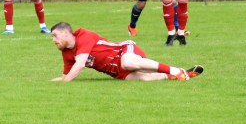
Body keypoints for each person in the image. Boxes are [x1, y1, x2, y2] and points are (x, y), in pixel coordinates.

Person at [49, 22, 203, 82]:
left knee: (128, 62)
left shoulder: (83, 35)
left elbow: (80, 64)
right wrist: (52, 83)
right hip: (116, 71)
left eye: (55, 36)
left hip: (122, 51)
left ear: (66, 33)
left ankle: (174, 69)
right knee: (145, 78)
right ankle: (179, 74)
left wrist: (65, 82)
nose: (53, 40)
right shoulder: (66, 53)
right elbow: (66, 76)